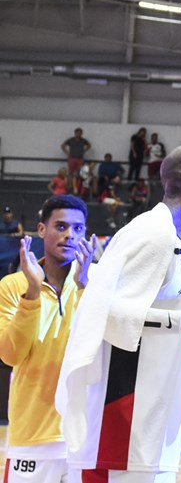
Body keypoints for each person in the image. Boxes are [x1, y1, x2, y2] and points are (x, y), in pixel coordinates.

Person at [56, 145, 181, 483]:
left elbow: (153, 324)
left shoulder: (174, 244)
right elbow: (99, 311)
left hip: (147, 430)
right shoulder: (151, 235)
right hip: (119, 432)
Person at [0, 196, 96, 483]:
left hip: (85, 438)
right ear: (41, 230)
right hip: (32, 439)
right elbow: (10, 355)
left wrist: (88, 289)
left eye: (78, 229)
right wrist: (31, 291)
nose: (70, 235)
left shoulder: (96, 284)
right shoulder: (12, 286)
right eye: (62, 226)